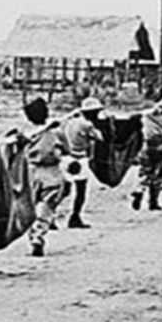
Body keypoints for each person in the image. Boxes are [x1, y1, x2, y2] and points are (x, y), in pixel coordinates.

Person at [16, 98, 70, 257]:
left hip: (28, 172)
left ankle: (33, 234)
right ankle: (38, 235)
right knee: (47, 205)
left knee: (30, 205)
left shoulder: (24, 133)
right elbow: (68, 149)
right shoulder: (56, 132)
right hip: (51, 171)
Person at [61, 97, 104, 228]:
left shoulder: (69, 122)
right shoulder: (87, 125)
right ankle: (75, 216)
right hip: (80, 158)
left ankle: (49, 216)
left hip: (65, 158)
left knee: (63, 190)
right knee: (81, 190)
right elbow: (99, 137)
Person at [131, 96, 162, 211]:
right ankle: (153, 202)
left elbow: (133, 118)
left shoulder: (147, 115)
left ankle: (139, 190)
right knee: (158, 174)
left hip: (147, 145)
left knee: (145, 171)